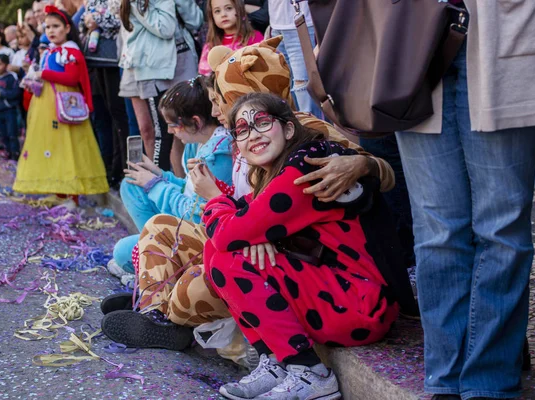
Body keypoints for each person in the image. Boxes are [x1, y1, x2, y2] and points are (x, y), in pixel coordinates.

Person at [99, 38, 414, 357]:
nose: (213, 110)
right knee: (159, 227)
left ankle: (169, 310)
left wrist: (364, 163)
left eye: (219, 99)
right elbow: (245, 216)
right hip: (251, 240)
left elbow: (380, 174)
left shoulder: (303, 135)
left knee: (190, 285)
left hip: (297, 266)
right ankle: (154, 311)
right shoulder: (244, 138)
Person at [391, 2, 535, 399]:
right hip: (409, 39)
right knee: (437, 231)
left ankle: (489, 382)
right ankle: (446, 379)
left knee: (502, 227)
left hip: (509, 31)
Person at [206, 93, 398, 400]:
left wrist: (215, 200)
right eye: (242, 129)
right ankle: (275, 362)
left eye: (262, 122)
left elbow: (229, 234)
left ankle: (310, 372)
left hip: (360, 305)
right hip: (343, 292)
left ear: (289, 129)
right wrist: (251, 230)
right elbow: (241, 222)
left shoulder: (303, 171)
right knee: (218, 252)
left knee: (226, 257)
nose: (253, 134)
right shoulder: (283, 168)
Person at [108, 76, 233, 280]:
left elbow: (196, 215)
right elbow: (188, 188)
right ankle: (155, 254)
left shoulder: (216, 158)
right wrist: (160, 175)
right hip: (186, 218)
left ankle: (159, 265)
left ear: (196, 121)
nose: (169, 131)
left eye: (173, 125)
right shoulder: (197, 141)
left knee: (122, 252)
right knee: (131, 185)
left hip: (202, 233)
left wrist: (155, 184)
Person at [13, 5, 108, 198]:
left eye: (56, 26)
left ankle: (71, 195)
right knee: (53, 148)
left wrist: (44, 74)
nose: (51, 31)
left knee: (68, 148)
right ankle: (59, 192)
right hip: (47, 105)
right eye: (47, 27)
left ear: (66, 28)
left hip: (65, 104)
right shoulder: (50, 51)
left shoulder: (70, 52)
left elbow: (72, 79)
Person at [119, 0, 203, 173]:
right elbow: (165, 29)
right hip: (153, 70)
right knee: (163, 133)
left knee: (188, 129)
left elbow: (196, 22)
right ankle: (158, 186)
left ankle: (185, 185)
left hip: (183, 64)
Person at [81, 0, 130, 188]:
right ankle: (110, 168)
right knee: (107, 115)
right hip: (97, 60)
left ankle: (121, 170)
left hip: (116, 58)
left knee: (119, 115)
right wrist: (88, 20)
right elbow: (82, 20)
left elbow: (123, 18)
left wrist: (97, 19)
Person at [268, 1, 321, 117]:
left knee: (303, 86)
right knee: (286, 85)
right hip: (276, 23)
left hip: (301, 21)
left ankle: (315, 131)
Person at [197, 0, 263, 76]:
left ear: (239, 10)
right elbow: (205, 77)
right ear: (212, 16)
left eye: (228, 8)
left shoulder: (255, 38)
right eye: (217, 11)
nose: (223, 14)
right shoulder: (210, 47)